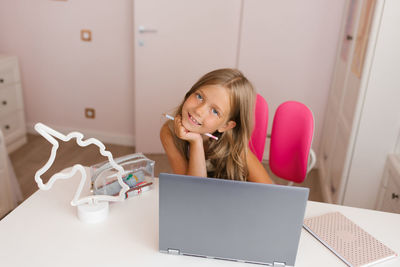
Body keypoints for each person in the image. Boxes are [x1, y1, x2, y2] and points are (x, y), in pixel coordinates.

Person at [160, 68, 273, 184]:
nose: (199, 110)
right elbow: (192, 189)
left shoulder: (235, 148)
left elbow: (271, 190)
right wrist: (196, 142)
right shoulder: (169, 132)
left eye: (215, 111)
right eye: (199, 96)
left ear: (225, 126)